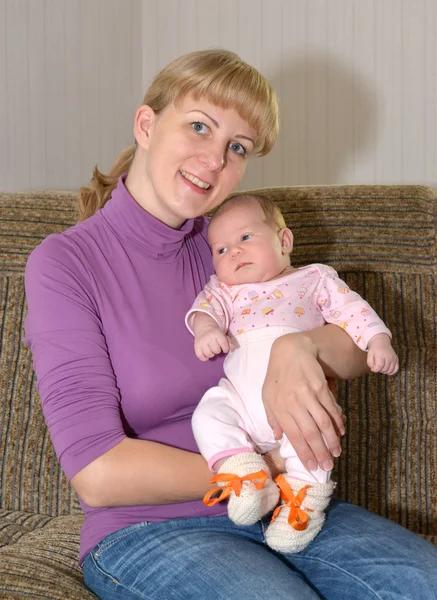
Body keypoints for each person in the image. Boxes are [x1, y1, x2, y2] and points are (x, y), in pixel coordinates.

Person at [23, 49, 437, 600]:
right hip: (151, 530)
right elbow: (97, 474)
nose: (214, 160)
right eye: (199, 127)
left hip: (283, 514)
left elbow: (357, 346)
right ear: (147, 124)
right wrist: (263, 466)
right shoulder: (66, 263)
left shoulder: (232, 244)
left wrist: (302, 347)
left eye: (236, 147)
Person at [185, 193, 399, 553]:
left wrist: (378, 341)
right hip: (238, 401)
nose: (233, 252)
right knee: (208, 412)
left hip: (298, 404)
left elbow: (354, 312)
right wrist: (206, 330)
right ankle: (245, 473)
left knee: (313, 439)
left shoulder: (314, 278)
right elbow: (204, 310)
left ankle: (304, 501)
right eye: (220, 250)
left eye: (245, 238)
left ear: (284, 242)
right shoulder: (225, 291)